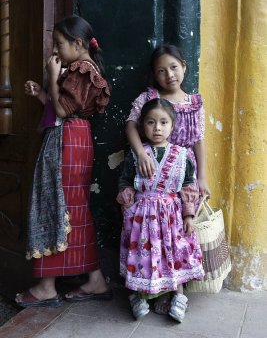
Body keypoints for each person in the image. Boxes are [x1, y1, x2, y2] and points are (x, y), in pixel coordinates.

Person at [15, 16, 112, 307]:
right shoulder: (80, 70)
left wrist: (52, 75)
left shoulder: (82, 70)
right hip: (74, 136)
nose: (55, 50)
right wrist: (40, 93)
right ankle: (94, 279)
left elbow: (61, 108)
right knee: (71, 207)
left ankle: (47, 286)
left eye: (59, 43)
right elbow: (61, 107)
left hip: (68, 140)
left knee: (56, 205)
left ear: (78, 44)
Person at [125, 44, 210, 314]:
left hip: (180, 174)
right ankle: (150, 289)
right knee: (150, 237)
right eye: (161, 70)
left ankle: (175, 288)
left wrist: (202, 179)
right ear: (154, 74)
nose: (169, 75)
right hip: (150, 170)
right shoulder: (148, 98)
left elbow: (198, 142)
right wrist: (140, 153)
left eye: (174, 67)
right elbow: (131, 124)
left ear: (184, 66)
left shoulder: (194, 102)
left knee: (177, 236)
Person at [117, 98, 204, 322]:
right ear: (142, 126)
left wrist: (188, 214)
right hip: (142, 218)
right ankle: (138, 295)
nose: (157, 128)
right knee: (141, 257)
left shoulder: (182, 156)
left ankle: (179, 295)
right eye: (150, 122)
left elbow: (188, 186)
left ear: (172, 126)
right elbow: (126, 182)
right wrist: (128, 210)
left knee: (174, 254)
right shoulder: (138, 155)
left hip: (171, 218)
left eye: (164, 122)